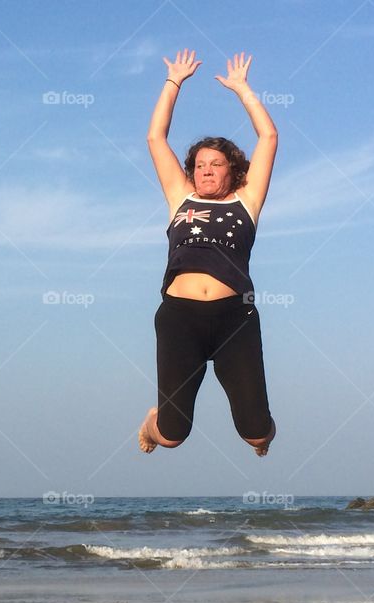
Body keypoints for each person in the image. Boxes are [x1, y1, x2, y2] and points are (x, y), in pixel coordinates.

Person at [138, 50, 277, 456]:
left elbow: (268, 138)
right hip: (180, 319)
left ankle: (259, 433)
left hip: (236, 317)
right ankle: (150, 423)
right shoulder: (179, 198)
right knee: (172, 436)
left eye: (216, 164)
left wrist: (242, 89)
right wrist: (174, 82)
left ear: (233, 169)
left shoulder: (247, 201)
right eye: (200, 165)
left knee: (258, 434)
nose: (206, 171)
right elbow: (155, 138)